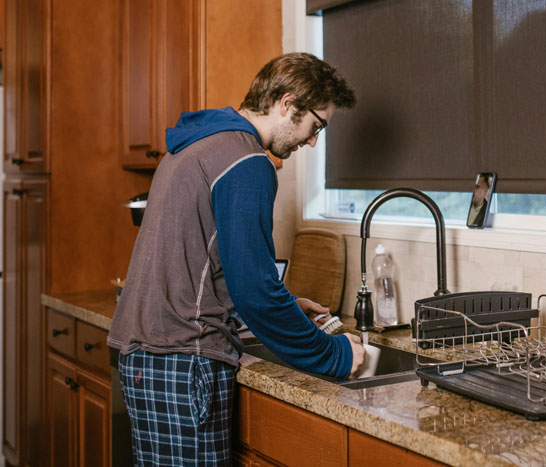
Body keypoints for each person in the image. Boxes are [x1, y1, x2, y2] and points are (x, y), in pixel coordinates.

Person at [107, 52, 364, 466]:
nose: (313, 141)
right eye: (316, 125)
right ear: (287, 104)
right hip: (182, 362)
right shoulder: (247, 162)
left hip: (149, 357)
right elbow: (257, 292)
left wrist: (289, 305)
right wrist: (337, 356)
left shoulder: (203, 143)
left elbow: (207, 265)